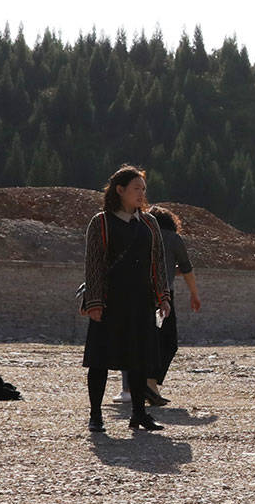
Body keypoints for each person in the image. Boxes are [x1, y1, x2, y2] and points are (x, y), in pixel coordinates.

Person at [82, 167, 171, 434]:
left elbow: (157, 262)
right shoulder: (101, 222)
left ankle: (139, 414)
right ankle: (96, 415)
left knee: (139, 359)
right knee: (100, 359)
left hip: (141, 299)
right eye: (136, 188)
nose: (141, 194)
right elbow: (94, 264)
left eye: (143, 189)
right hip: (110, 300)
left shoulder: (150, 223)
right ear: (119, 190)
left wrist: (162, 297)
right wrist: (94, 302)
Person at [141, 206, 200, 404]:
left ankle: (147, 387)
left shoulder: (141, 234)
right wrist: (194, 294)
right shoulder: (172, 238)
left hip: (138, 295)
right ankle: (149, 383)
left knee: (146, 340)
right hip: (162, 297)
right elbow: (187, 267)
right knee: (168, 343)